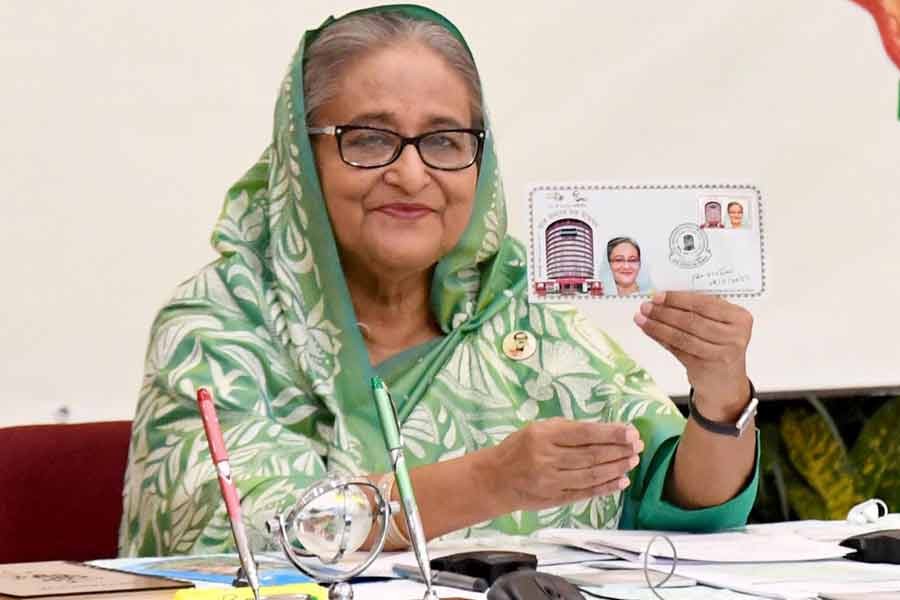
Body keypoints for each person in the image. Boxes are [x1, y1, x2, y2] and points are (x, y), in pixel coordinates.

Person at [119, 5, 758, 557]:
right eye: (368, 139)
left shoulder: (518, 313)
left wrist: (721, 388)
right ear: (300, 157)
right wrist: (492, 481)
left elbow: (685, 503)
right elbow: (261, 533)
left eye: (445, 141)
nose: (410, 173)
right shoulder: (218, 326)